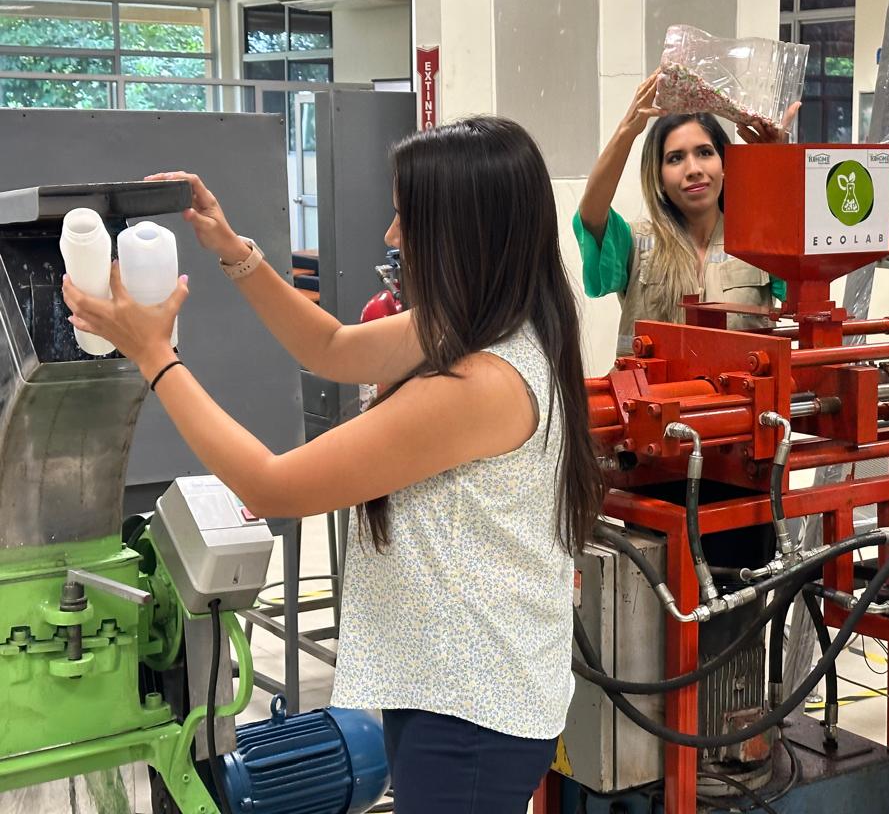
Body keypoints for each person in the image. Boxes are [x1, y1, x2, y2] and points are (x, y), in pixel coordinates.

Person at [62, 116, 605, 814]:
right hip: (456, 684)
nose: (391, 237)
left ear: (463, 234)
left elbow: (273, 485)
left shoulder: (486, 383)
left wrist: (154, 356)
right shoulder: (484, 324)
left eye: (406, 218)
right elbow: (333, 347)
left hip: (474, 709)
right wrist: (233, 250)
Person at [573, 70, 800, 355]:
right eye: (675, 158)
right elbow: (591, 214)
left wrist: (778, 165)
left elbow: (806, 286)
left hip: (741, 399)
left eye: (705, 153)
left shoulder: (759, 244)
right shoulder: (634, 242)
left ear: (725, 165)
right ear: (659, 176)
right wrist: (627, 130)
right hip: (652, 398)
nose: (693, 170)